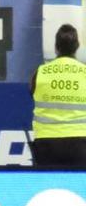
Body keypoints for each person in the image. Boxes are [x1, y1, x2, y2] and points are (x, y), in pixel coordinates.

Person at [30, 25, 86, 168]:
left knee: (48, 188)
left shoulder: (40, 72)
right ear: (77, 47)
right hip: (80, 143)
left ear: (56, 47)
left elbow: (32, 94)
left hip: (46, 144)